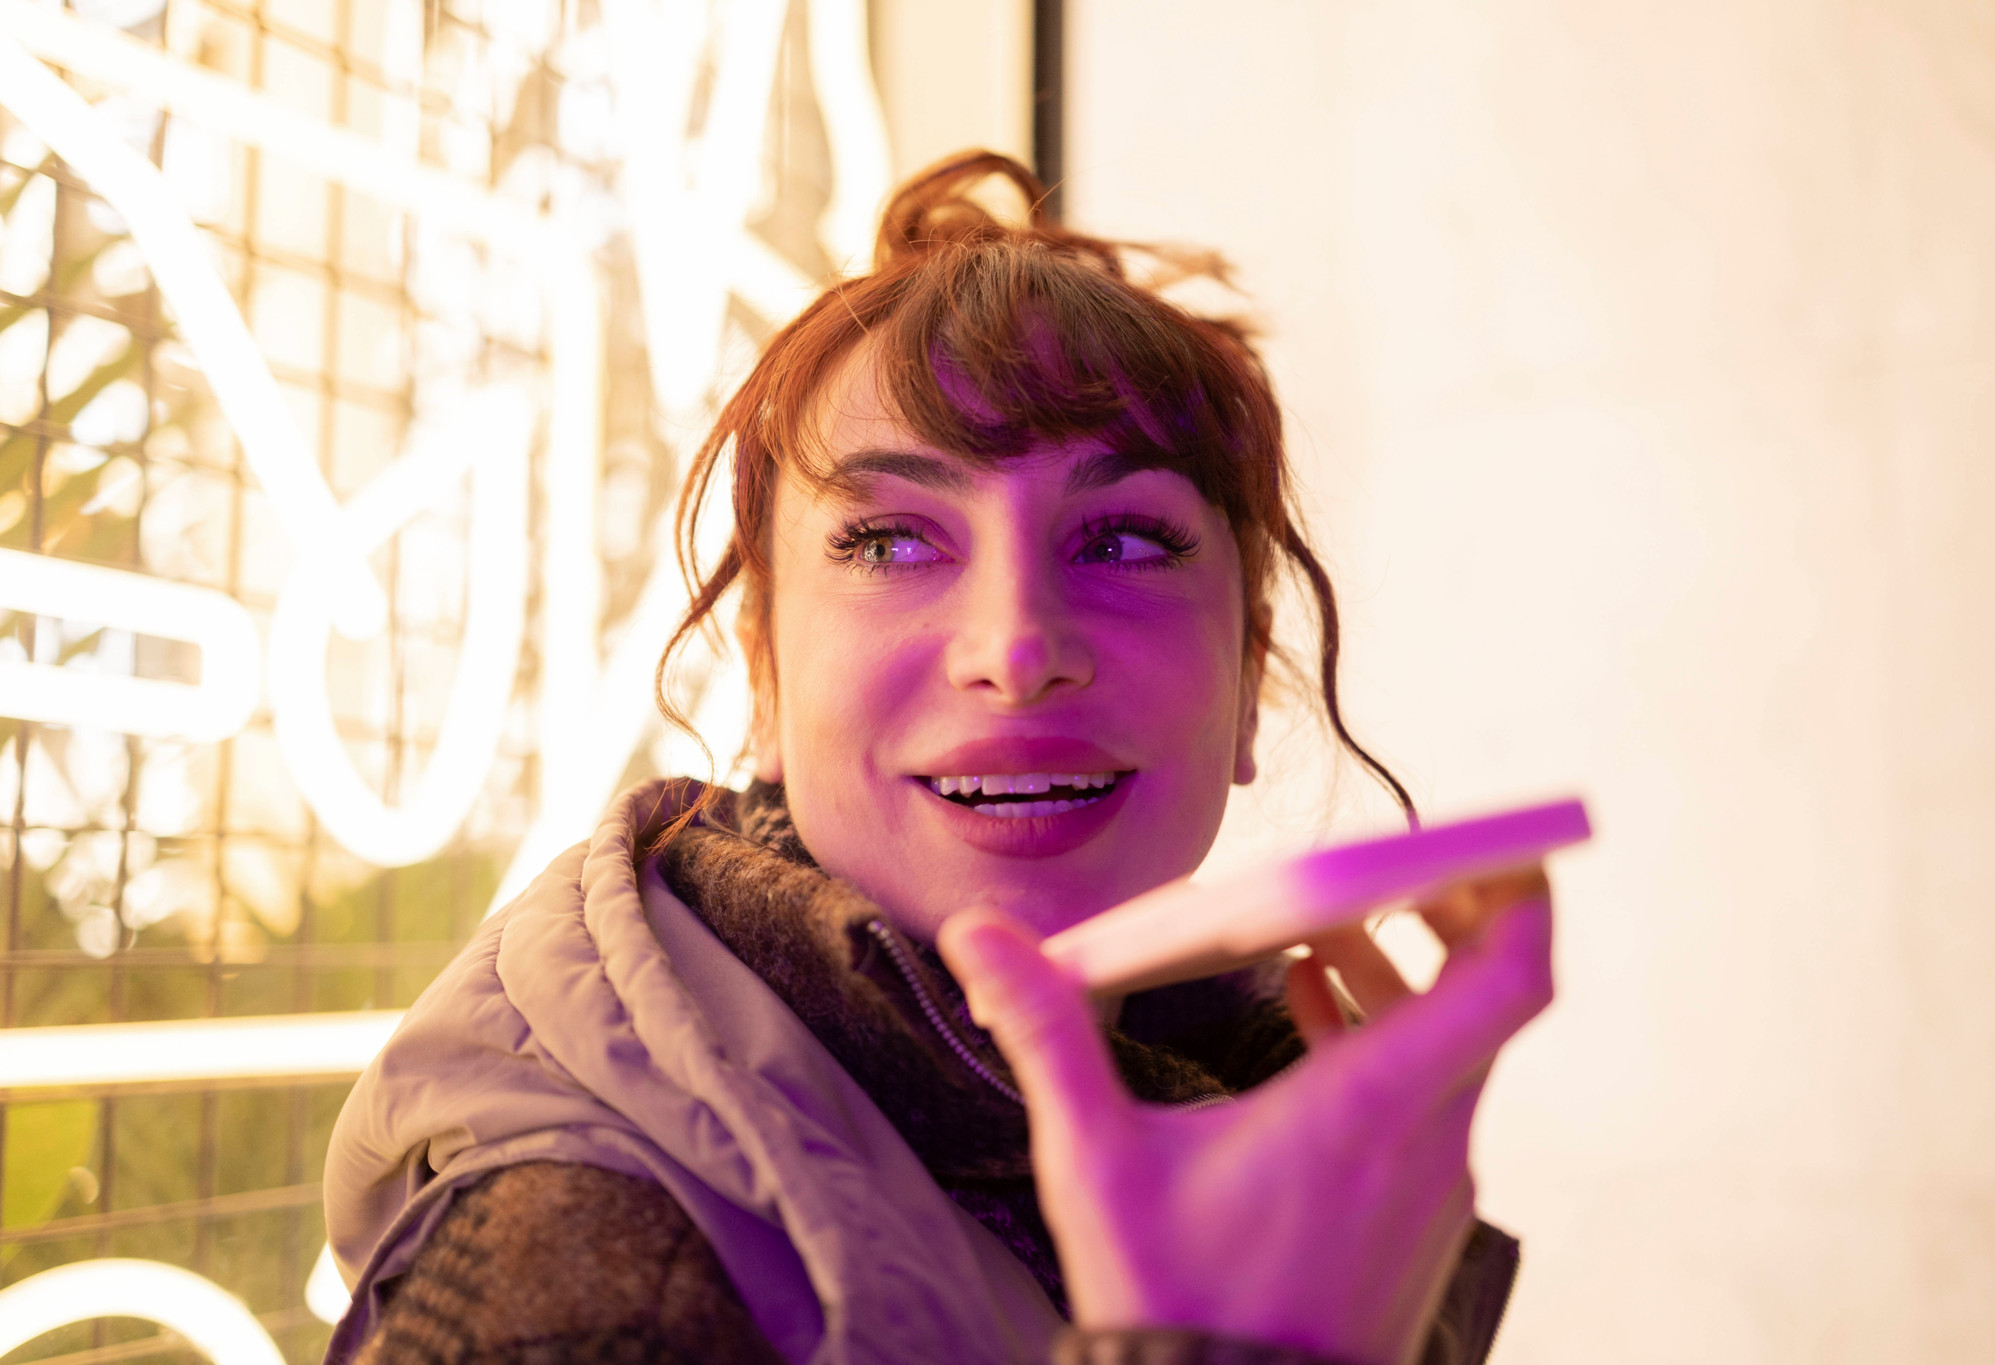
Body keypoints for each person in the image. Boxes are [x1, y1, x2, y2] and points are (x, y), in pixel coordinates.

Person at [320, 151, 1555, 1365]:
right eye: (890, 543)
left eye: (1124, 541)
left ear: (1244, 674)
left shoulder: (1302, 1151)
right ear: (763, 674)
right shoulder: (583, 1279)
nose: (1016, 650)